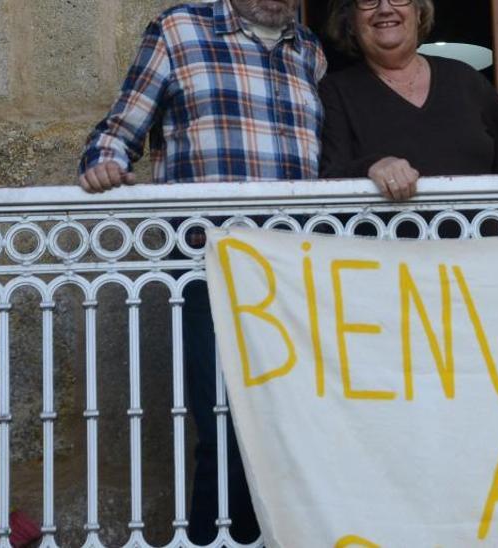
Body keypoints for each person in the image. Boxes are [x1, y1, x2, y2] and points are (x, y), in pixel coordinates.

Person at [77, 0, 325, 543]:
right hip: (209, 268)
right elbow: (120, 129)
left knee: (296, 428)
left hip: (295, 278)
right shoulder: (179, 28)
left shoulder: (308, 50)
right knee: (226, 427)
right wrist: (104, 161)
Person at [319, 0, 498, 201]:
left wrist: (482, 219)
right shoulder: (336, 91)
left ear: (419, 12)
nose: (384, 9)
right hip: (385, 244)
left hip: (475, 242)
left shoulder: (466, 80)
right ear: (349, 22)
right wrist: (371, 167)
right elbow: (330, 178)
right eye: (368, 1)